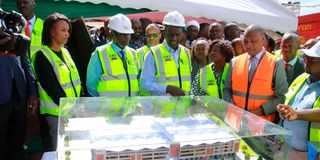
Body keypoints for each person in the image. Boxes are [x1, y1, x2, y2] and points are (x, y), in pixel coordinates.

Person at [33, 13, 82, 151]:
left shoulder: (66, 52)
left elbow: (75, 81)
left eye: (68, 30)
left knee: (71, 150)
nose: (67, 34)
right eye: (63, 30)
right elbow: (52, 88)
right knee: (59, 150)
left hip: (72, 112)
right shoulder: (42, 56)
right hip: (56, 115)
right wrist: (70, 110)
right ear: (51, 32)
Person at [224, 25, 288, 122]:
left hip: (261, 125)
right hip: (235, 121)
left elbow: (282, 97)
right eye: (245, 41)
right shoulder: (235, 61)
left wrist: (257, 112)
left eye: (253, 41)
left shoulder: (276, 63)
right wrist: (234, 109)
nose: (248, 45)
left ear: (263, 40)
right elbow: (227, 89)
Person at [0, 13, 38, 160]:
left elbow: (25, 59)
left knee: (18, 140)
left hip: (19, 92)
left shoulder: (10, 19)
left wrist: (32, 90)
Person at [277, 41, 320, 158]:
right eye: (306, 58)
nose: (306, 61)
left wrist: (297, 114)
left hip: (309, 155)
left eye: (312, 60)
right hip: (286, 148)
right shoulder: (302, 78)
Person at [86, 14, 139, 97]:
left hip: (131, 108)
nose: (127, 37)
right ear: (113, 33)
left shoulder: (133, 53)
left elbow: (138, 79)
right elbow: (91, 84)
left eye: (128, 34)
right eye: (123, 34)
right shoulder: (99, 53)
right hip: (109, 109)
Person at [140, 11, 192, 96]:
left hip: (182, 107)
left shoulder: (186, 52)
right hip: (162, 108)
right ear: (164, 33)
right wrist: (166, 88)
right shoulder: (153, 53)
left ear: (182, 34)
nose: (174, 38)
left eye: (177, 34)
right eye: (170, 34)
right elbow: (144, 84)